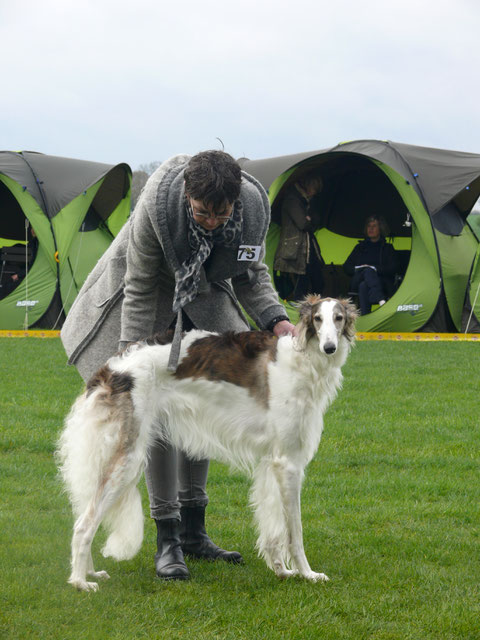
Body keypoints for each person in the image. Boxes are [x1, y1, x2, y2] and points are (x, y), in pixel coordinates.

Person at [60, 150, 295, 581]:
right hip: (145, 295)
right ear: (188, 195)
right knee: (156, 416)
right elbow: (140, 284)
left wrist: (277, 320)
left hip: (205, 294)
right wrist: (130, 358)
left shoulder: (254, 207)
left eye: (220, 214)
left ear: (235, 203)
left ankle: (194, 532)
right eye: (203, 212)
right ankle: (167, 537)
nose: (211, 221)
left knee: (203, 403)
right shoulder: (158, 204)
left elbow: (250, 274)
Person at [273, 172, 324, 299]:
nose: (315, 193)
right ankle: (301, 313)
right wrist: (309, 220)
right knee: (302, 285)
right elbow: (302, 224)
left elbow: (315, 221)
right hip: (295, 250)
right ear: (307, 185)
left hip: (306, 249)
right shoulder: (293, 199)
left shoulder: (307, 202)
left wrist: (309, 219)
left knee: (315, 281)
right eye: (314, 189)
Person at [343, 215, 399, 315]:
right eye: (369, 226)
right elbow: (346, 267)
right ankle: (379, 298)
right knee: (367, 271)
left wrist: (375, 269)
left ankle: (365, 317)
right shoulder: (359, 247)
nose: (371, 229)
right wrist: (360, 269)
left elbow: (393, 268)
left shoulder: (387, 248)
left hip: (380, 282)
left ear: (380, 229)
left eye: (374, 226)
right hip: (359, 277)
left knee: (364, 285)